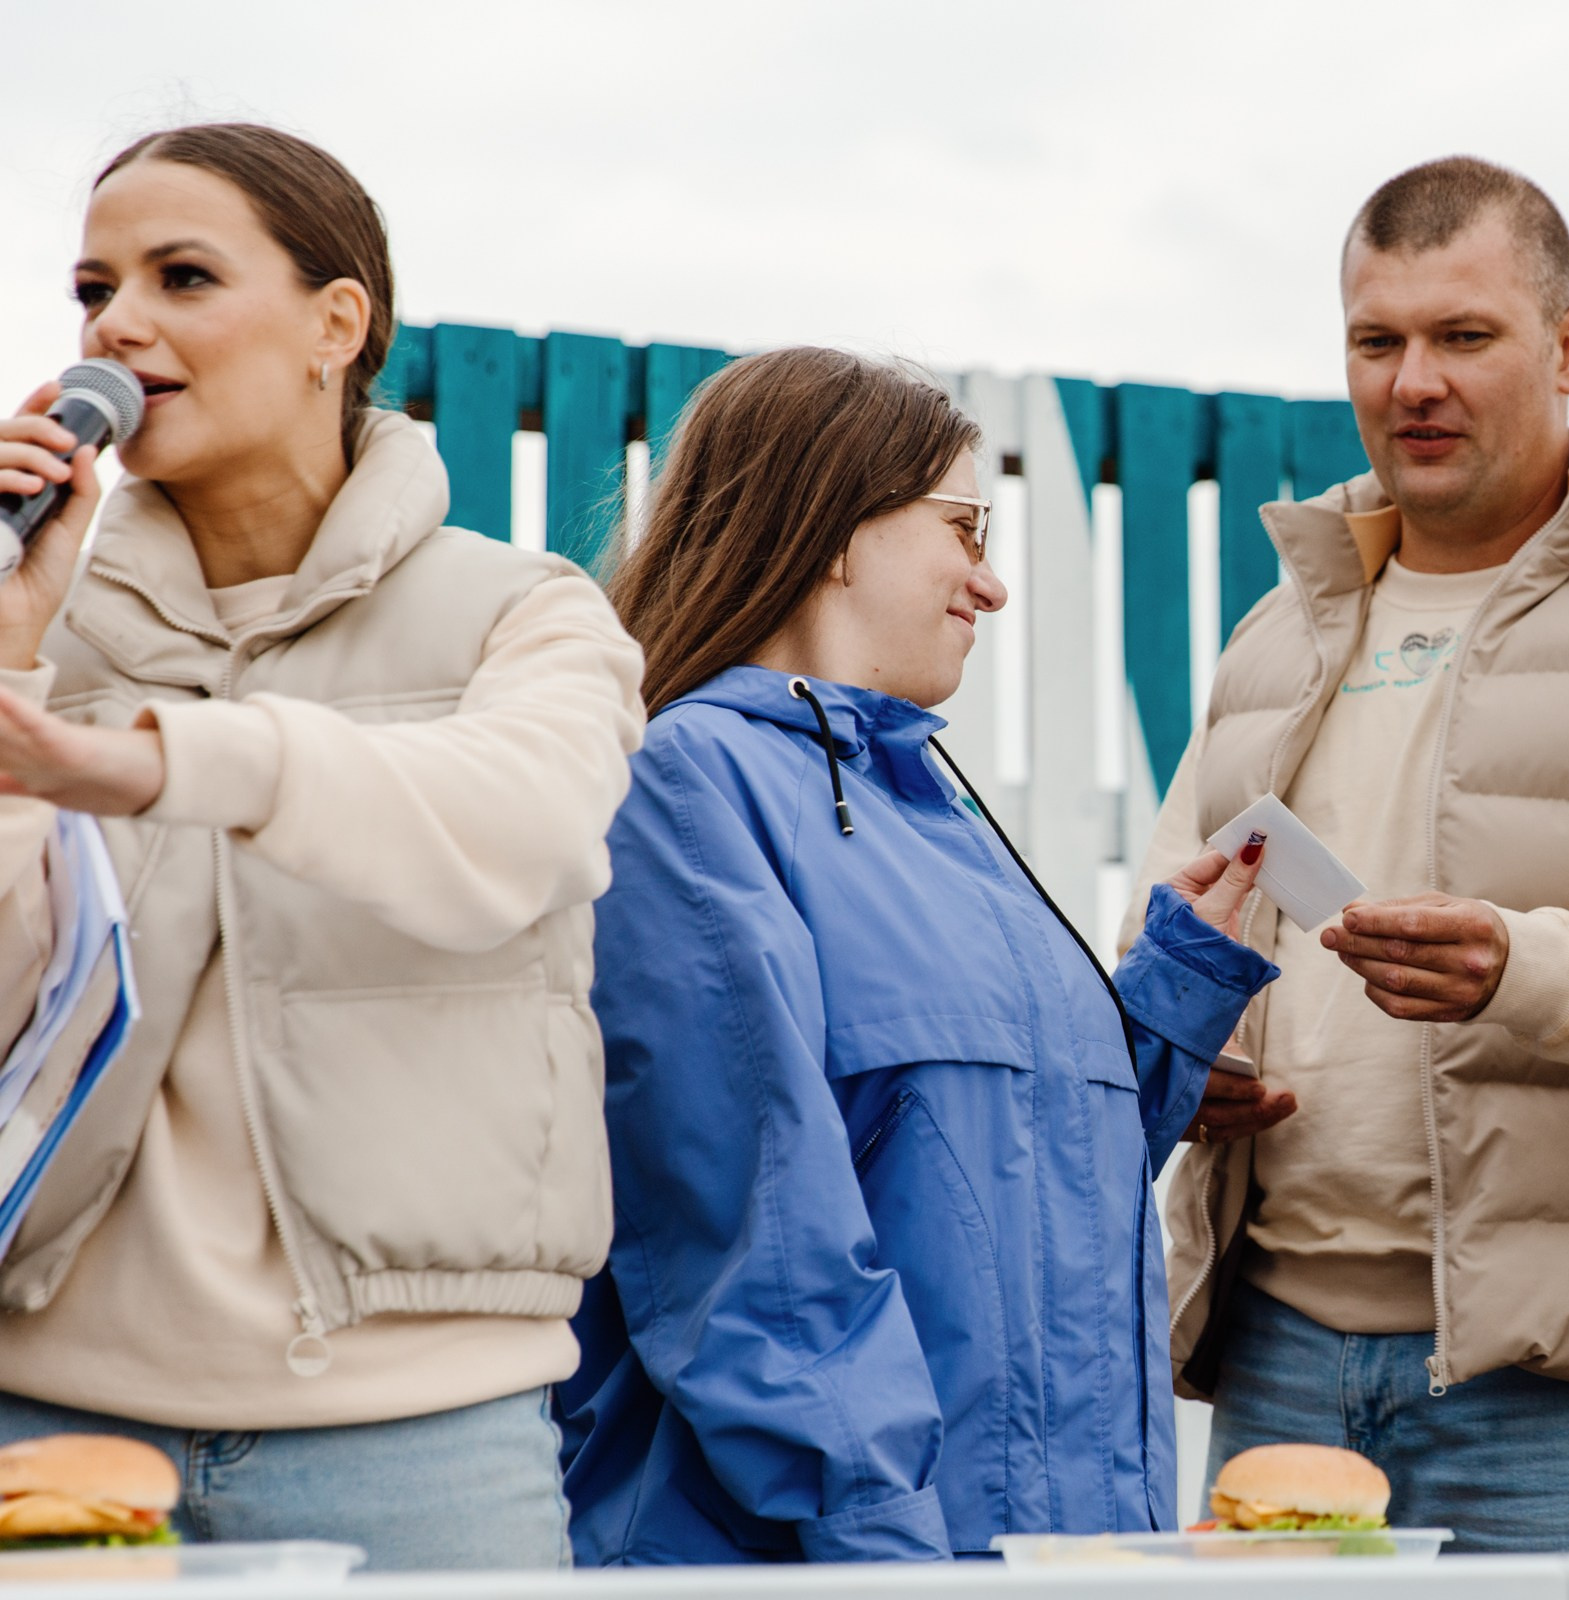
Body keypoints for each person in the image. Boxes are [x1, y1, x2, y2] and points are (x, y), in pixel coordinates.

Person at [1126, 156, 1569, 1553]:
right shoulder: (1274, 634)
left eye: (1463, 335)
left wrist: (1523, 964)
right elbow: (1167, 917)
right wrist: (1182, 1048)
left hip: (1564, 1381)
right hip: (1277, 1360)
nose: (1413, 383)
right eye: (1375, 342)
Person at [0, 124, 646, 1566]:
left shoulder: (522, 612)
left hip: (422, 1443)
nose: (117, 325)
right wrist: (13, 658)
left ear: (335, 325)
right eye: (94, 289)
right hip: (49, 1423)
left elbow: (523, 823)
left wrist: (175, 761)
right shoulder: (47, 642)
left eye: (182, 276)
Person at [554, 347, 1281, 1564]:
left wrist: (1171, 993)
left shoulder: (933, 806)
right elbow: (753, 1250)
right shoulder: (685, 787)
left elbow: (1007, 1170)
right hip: (846, 1562)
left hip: (1052, 1554)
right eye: (965, 527)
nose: (992, 583)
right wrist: (889, 1555)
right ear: (837, 527)